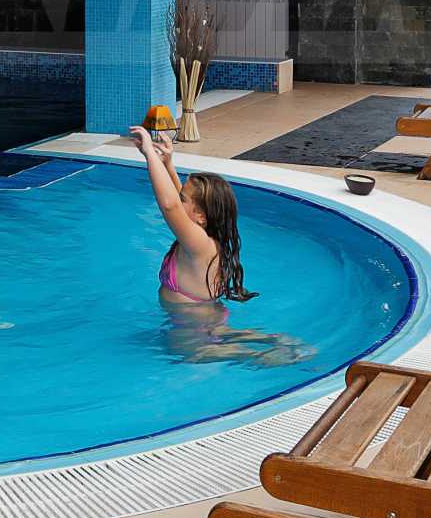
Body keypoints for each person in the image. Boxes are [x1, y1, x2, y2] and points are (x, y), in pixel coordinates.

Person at [130, 126, 308, 367]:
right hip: (204, 316)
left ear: (201, 216)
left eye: (184, 199)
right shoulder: (204, 238)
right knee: (216, 335)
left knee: (191, 355)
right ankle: (274, 339)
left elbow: (170, 205)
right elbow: (179, 201)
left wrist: (150, 154)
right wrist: (167, 164)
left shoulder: (198, 243)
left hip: (192, 324)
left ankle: (259, 356)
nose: (179, 198)